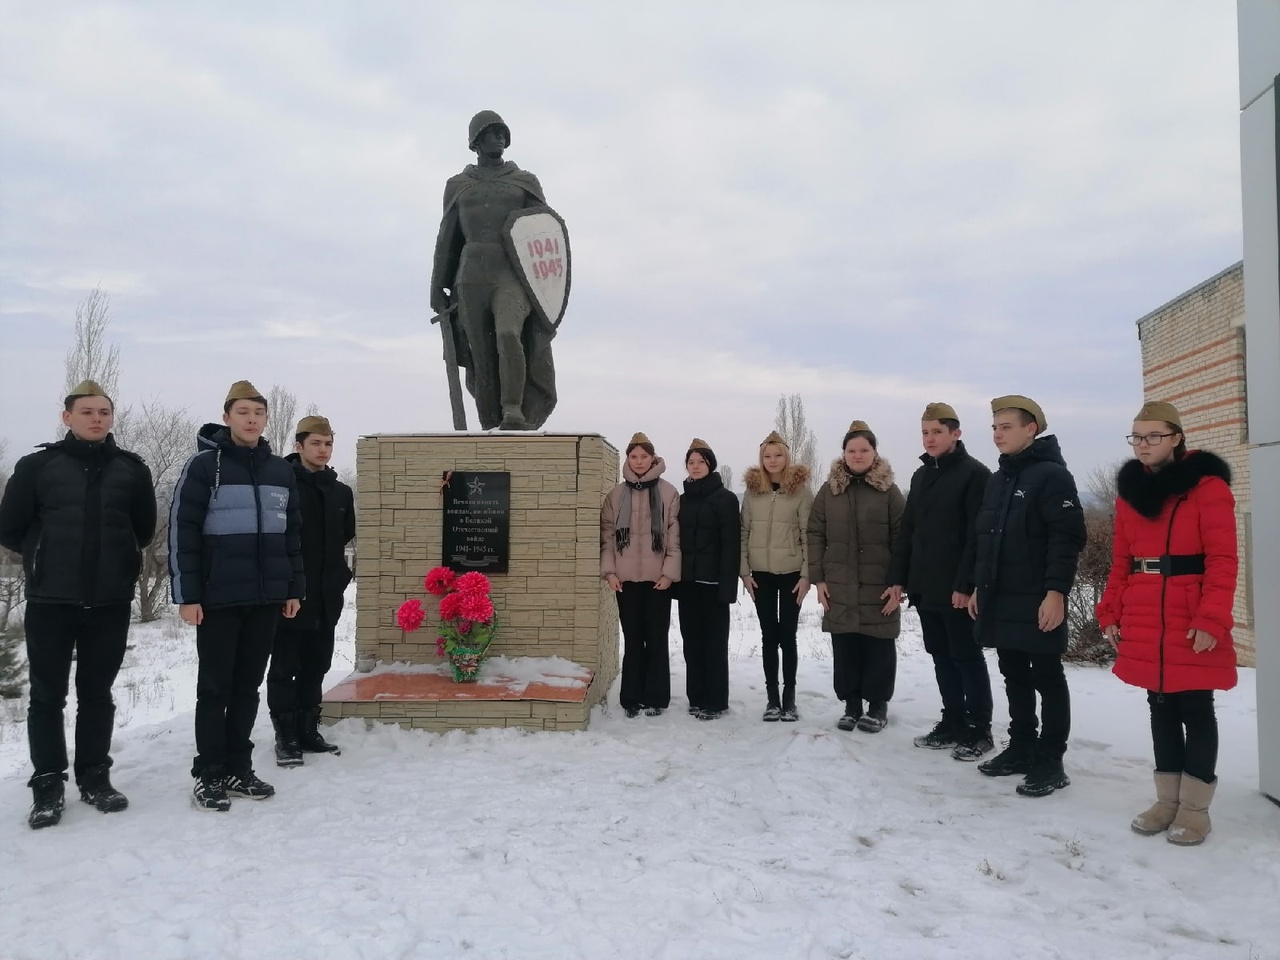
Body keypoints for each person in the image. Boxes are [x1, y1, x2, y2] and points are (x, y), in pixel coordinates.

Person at [0, 380, 156, 829]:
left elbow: (142, 531)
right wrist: (42, 556)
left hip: (109, 602)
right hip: (51, 600)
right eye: (87, 412)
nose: (96, 419)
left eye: (103, 412)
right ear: (67, 417)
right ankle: (48, 785)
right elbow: (10, 528)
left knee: (97, 695)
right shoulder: (37, 466)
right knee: (48, 697)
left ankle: (94, 777)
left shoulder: (132, 470)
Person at [1096, 401, 1237, 845]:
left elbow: (1222, 559)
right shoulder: (1130, 495)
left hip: (1189, 611)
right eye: (1137, 437)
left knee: (1195, 708)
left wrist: (1211, 617)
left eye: (1153, 436)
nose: (1143, 444)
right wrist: (1110, 610)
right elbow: (1122, 561)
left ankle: (1195, 811)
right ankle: (1167, 801)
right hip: (1144, 609)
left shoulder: (1208, 488)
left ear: (1176, 438)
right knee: (1160, 707)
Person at [169, 380, 304, 811]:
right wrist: (187, 595)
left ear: (266, 420)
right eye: (243, 412)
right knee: (215, 689)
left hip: (265, 599)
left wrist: (293, 588)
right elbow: (182, 532)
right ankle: (209, 773)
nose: (251, 420)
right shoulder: (205, 466)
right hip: (217, 598)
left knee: (248, 687)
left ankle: (237, 768)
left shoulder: (280, 471)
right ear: (227, 417)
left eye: (258, 413)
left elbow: (293, 536)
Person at [968, 396, 1086, 798]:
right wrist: (975, 587)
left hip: (1037, 598)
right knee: (1013, 673)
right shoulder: (999, 479)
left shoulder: (1052, 476)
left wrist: (1057, 592)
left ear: (1031, 428)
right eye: (995, 428)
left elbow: (1066, 538)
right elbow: (986, 540)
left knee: (1047, 678)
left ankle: (1050, 760)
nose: (998, 434)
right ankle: (1020, 747)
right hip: (1001, 597)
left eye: (1006, 427)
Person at [430, 110, 558, 430]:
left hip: (511, 274)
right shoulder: (458, 185)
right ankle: (489, 422)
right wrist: (437, 285)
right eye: (491, 132)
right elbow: (448, 237)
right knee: (481, 356)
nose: (499, 137)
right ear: (475, 140)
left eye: (502, 132)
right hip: (470, 275)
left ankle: (513, 409)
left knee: (507, 333)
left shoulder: (524, 181)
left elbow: (544, 234)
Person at [888, 402, 995, 760]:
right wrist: (900, 579)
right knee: (940, 656)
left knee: (966, 656)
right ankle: (952, 722)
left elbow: (975, 536)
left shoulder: (974, 474)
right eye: (925, 432)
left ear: (955, 434)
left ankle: (979, 730)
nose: (930, 438)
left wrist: (965, 585)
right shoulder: (921, 475)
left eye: (937, 431)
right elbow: (909, 530)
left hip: (956, 588)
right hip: (925, 585)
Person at [265, 415, 355, 766]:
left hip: (326, 596)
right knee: (285, 667)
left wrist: (338, 578)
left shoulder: (341, 492)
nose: (323, 450)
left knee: (317, 665)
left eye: (328, 443)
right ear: (298, 446)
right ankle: (284, 735)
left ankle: (307, 729)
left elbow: (344, 535)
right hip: (290, 596)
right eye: (315, 443)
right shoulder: (281, 487)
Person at [808, 421, 905, 733]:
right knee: (845, 644)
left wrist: (899, 581)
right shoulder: (829, 491)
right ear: (844, 454)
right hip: (838, 583)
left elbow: (903, 537)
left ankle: (877, 706)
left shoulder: (889, 492)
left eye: (864, 449)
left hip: (880, 585)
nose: (858, 455)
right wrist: (819, 580)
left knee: (878, 644)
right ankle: (851, 704)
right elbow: (814, 533)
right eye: (852, 450)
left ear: (874, 453)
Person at [600, 432, 680, 718]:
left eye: (644, 456)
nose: (639, 461)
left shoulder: (669, 492)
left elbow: (674, 539)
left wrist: (669, 574)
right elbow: (607, 538)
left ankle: (656, 697)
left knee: (656, 638)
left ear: (653, 458)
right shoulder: (616, 494)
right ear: (628, 459)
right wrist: (609, 572)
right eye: (634, 456)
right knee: (633, 638)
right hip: (625, 581)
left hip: (658, 580)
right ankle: (631, 698)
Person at [740, 430, 813, 721]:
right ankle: (772, 699)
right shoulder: (752, 491)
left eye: (778, 455)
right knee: (769, 635)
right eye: (767, 456)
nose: (772, 460)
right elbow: (743, 532)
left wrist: (807, 574)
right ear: (761, 459)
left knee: (788, 636)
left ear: (786, 457)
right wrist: (744, 572)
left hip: (793, 573)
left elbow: (809, 534)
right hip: (761, 574)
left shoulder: (801, 491)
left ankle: (790, 699)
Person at [676, 439, 740, 720]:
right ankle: (696, 697)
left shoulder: (725, 499)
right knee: (692, 643)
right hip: (689, 584)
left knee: (714, 645)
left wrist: (727, 588)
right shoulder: (682, 499)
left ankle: (715, 701)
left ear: (710, 465)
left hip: (713, 585)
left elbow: (731, 546)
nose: (695, 466)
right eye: (691, 462)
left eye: (700, 461)